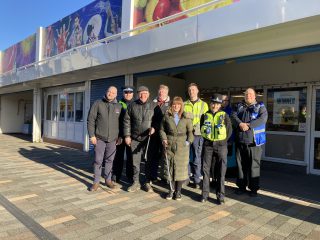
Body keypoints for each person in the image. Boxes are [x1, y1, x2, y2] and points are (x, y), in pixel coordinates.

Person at [123, 86, 162, 192]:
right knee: (135, 162)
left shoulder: (154, 106)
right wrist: (127, 136)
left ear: (148, 94)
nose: (143, 95)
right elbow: (126, 121)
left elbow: (159, 120)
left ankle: (147, 182)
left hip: (149, 139)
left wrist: (154, 127)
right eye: (140, 93)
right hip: (135, 138)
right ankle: (135, 182)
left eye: (145, 93)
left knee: (148, 162)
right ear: (137, 94)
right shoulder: (132, 105)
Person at [231, 88, 268, 197]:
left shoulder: (260, 107)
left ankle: (253, 189)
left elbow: (263, 119)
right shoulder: (238, 106)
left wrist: (248, 125)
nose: (249, 96)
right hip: (240, 141)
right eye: (247, 94)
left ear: (255, 96)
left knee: (254, 166)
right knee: (240, 166)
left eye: (251, 94)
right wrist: (240, 124)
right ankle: (241, 187)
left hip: (254, 142)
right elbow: (233, 116)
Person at [87, 86, 122, 191]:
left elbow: (122, 123)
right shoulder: (98, 103)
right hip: (99, 138)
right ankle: (96, 182)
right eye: (109, 91)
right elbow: (90, 120)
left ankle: (108, 180)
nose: (110, 93)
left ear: (116, 95)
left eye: (113, 92)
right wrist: (92, 135)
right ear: (106, 92)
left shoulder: (119, 106)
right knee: (98, 161)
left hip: (113, 139)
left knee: (110, 160)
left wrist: (120, 136)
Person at [200, 94, 232, 204]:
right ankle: (204, 195)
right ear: (210, 104)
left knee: (221, 171)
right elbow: (201, 129)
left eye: (217, 104)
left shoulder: (225, 115)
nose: (215, 106)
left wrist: (222, 142)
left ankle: (220, 196)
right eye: (213, 103)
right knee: (205, 170)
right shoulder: (205, 115)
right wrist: (208, 141)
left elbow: (229, 131)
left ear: (220, 105)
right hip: (208, 146)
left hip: (221, 146)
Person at [159, 97, 194, 200]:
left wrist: (188, 142)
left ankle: (178, 191)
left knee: (180, 169)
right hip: (169, 144)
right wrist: (164, 139)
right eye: (174, 104)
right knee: (170, 168)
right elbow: (161, 130)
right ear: (171, 105)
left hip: (182, 146)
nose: (176, 106)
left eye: (178, 104)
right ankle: (171, 190)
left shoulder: (186, 117)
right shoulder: (166, 116)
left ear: (181, 106)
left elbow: (190, 132)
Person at [184, 83, 209, 188]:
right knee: (185, 157)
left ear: (197, 91)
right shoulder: (184, 104)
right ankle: (186, 178)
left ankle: (197, 179)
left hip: (198, 135)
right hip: (186, 134)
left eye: (193, 90)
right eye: (190, 90)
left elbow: (206, 121)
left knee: (196, 158)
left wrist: (195, 128)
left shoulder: (204, 105)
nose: (191, 92)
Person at [112, 86, 134, 184]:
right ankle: (116, 175)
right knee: (118, 157)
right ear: (123, 93)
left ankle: (130, 176)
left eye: (130, 92)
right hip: (120, 136)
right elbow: (114, 122)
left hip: (131, 136)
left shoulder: (135, 105)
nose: (128, 94)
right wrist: (118, 135)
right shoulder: (118, 105)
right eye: (126, 92)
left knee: (131, 157)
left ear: (132, 94)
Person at [150, 85, 171, 182]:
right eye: (160, 92)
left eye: (163, 92)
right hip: (154, 134)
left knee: (165, 155)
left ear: (167, 93)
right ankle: (153, 176)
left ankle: (165, 177)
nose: (161, 94)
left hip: (165, 135)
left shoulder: (171, 104)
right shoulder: (152, 103)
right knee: (154, 155)